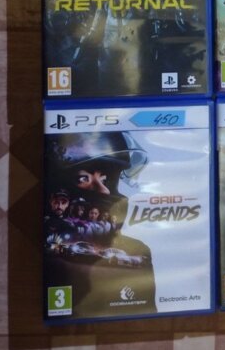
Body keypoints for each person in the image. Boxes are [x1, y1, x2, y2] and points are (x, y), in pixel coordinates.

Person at [44, 131, 155, 318]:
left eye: (106, 179)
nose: (103, 190)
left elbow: (145, 316)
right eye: (84, 179)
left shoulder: (136, 251)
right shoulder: (53, 250)